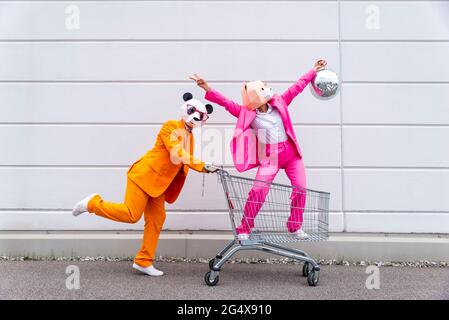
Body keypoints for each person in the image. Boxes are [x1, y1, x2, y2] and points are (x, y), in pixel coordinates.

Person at [71, 92, 217, 276]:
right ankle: (92, 203)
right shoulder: (171, 126)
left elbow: (181, 164)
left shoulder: (191, 137)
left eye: (202, 116)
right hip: (143, 176)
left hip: (159, 186)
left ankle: (143, 261)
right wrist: (202, 165)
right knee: (131, 215)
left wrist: (205, 168)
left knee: (157, 219)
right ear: (185, 109)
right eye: (193, 112)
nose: (196, 117)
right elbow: (177, 153)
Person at [190, 59, 327, 240]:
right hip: (271, 156)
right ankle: (245, 227)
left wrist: (313, 71)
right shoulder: (247, 113)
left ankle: (294, 226)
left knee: (300, 189)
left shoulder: (280, 101)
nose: (267, 89)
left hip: (292, 154)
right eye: (263, 88)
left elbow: (297, 87)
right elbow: (225, 102)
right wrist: (207, 88)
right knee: (258, 191)